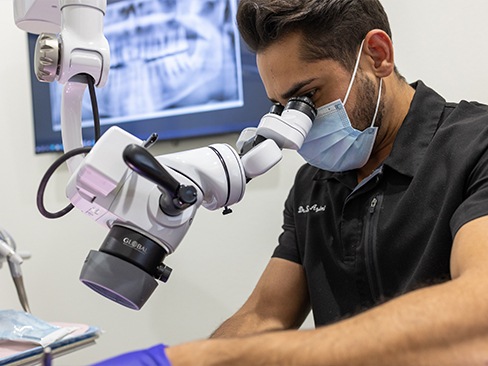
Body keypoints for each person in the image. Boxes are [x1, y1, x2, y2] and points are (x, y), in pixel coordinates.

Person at [93, 0, 488, 364]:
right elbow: (265, 315)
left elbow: (478, 310)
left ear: (377, 56)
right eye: (281, 106)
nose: (298, 125)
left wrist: (204, 359)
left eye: (309, 96)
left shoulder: (476, 146)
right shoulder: (312, 184)